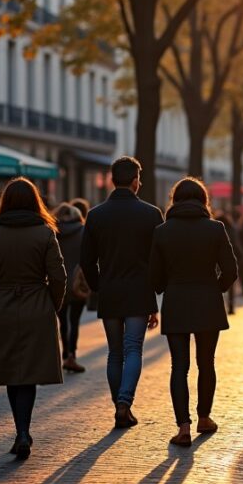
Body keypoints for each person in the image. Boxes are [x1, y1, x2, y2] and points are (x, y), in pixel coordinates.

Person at [0, 178, 66, 460]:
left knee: (12, 370)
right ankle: (24, 431)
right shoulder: (45, 232)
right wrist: (52, 304)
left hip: (3, 303)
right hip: (37, 303)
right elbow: (59, 276)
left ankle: (20, 430)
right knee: (30, 371)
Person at [149, 178, 238, 447]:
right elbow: (231, 270)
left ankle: (183, 426)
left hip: (176, 301)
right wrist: (215, 288)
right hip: (208, 302)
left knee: (179, 366)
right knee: (206, 363)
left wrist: (167, 287)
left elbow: (155, 276)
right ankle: (204, 417)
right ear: (204, 200)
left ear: (174, 200)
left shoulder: (162, 231)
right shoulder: (215, 228)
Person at [80, 156, 164, 428]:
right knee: (133, 349)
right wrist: (155, 291)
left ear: (113, 180)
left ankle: (120, 403)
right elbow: (158, 259)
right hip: (139, 292)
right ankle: (124, 402)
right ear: (136, 181)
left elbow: (86, 259)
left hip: (110, 290)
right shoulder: (151, 214)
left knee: (115, 351)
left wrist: (97, 286)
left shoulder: (95, 215)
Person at [55, 204, 90, 373]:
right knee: (74, 321)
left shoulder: (53, 231)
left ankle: (65, 352)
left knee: (62, 321)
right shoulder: (84, 232)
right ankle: (72, 355)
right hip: (78, 283)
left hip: (58, 283)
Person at [216, 211, 241, 312]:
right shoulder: (231, 229)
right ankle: (230, 305)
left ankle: (220, 301)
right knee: (230, 285)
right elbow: (236, 243)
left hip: (216, 262)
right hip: (229, 257)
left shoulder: (214, 229)